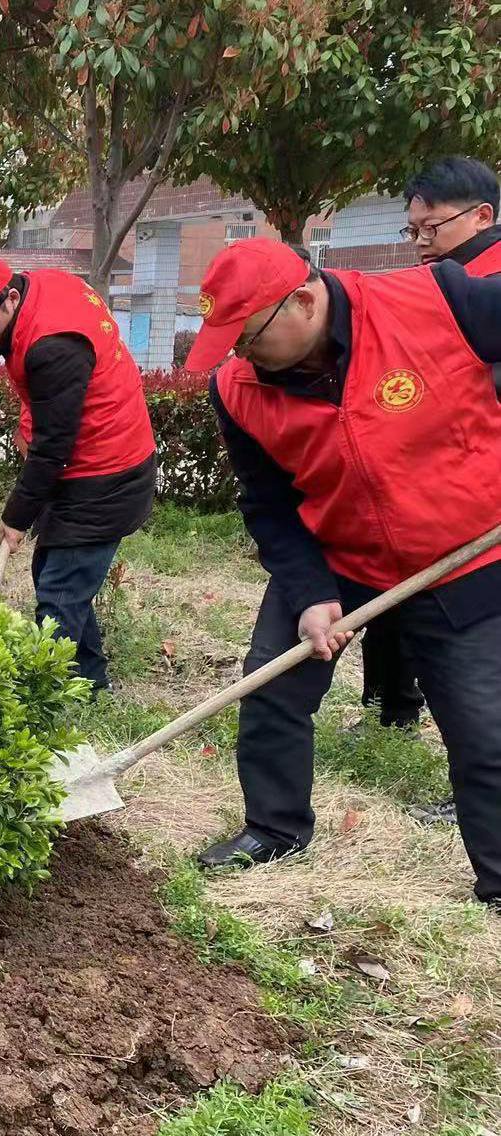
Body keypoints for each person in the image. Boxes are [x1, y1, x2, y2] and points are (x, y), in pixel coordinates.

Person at [183, 237, 501, 912]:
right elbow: (267, 503)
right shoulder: (236, 389)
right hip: (339, 551)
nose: (240, 356)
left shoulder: (438, 301)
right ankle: (273, 830)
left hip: (464, 551)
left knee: (484, 729)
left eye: (248, 339)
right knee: (271, 685)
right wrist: (309, 594)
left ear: (303, 301)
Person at [0, 254, 157, 693]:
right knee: (56, 575)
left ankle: (43, 699)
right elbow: (46, 409)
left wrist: (16, 517)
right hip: (87, 461)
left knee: (60, 590)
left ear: (10, 297)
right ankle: (90, 682)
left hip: (107, 473)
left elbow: (52, 447)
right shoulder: (41, 290)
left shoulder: (52, 343)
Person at [371, 156, 501, 827]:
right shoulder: (442, 281)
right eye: (413, 229)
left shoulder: (485, 286)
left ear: (482, 216)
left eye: (433, 228)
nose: (421, 242)